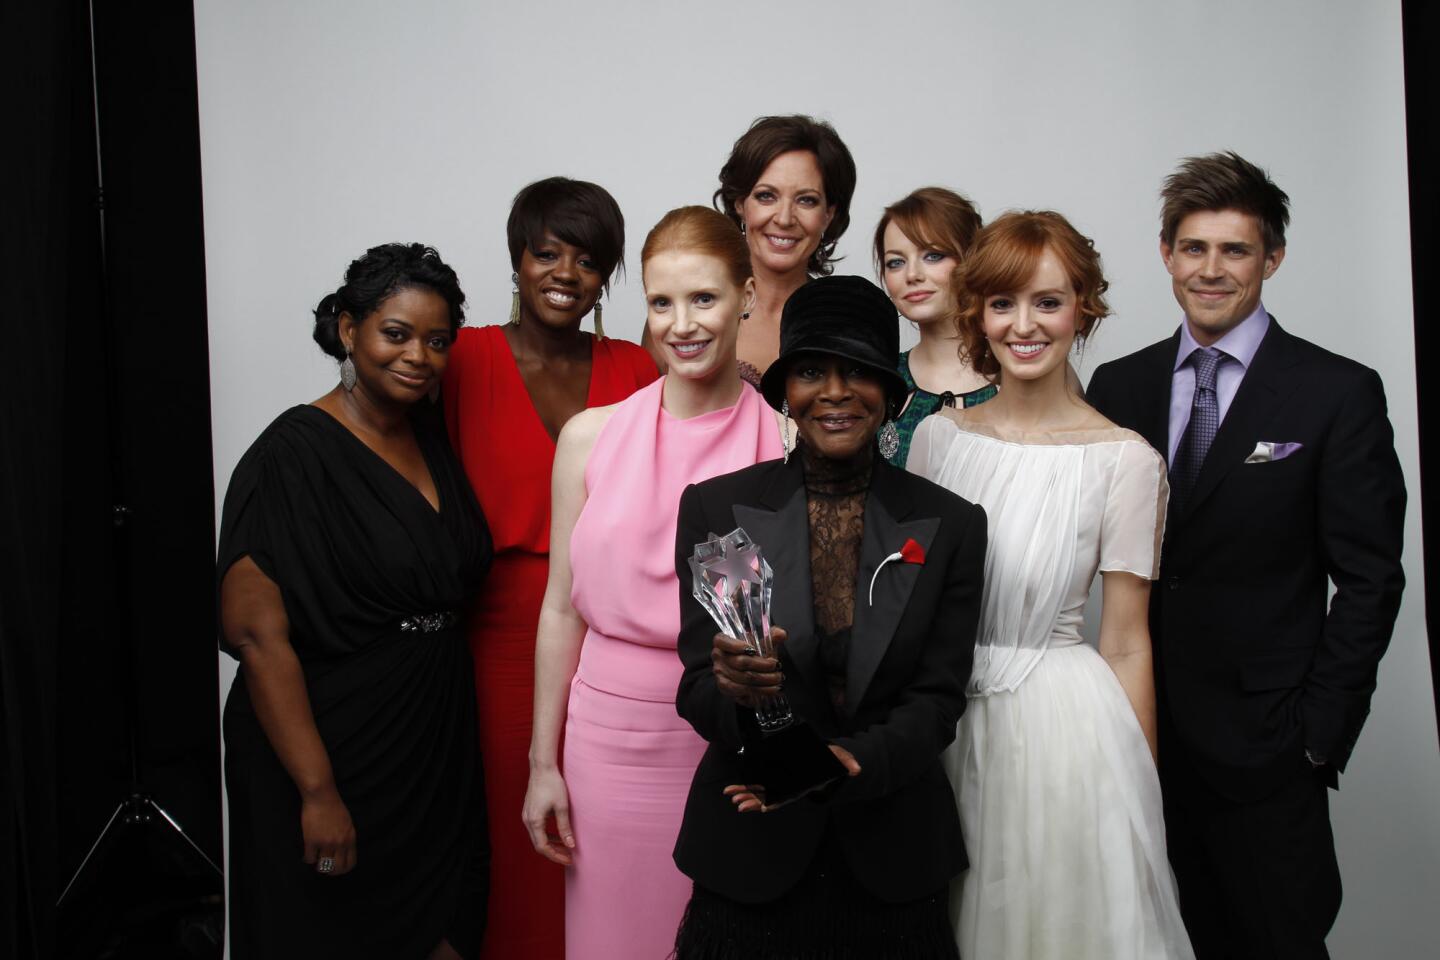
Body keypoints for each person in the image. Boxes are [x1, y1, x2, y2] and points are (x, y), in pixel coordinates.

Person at [1086, 152, 1406, 959]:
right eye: (1193, 248)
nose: (1211, 269)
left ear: (1273, 259)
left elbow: (1370, 579)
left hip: (1270, 748)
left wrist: (1316, 734)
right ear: (1165, 254)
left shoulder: (1335, 391)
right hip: (1143, 735)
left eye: (1235, 250)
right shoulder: (1119, 388)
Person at [670, 275, 987, 959]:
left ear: (890, 390)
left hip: (893, 853)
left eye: (860, 372)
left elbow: (937, 699)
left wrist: (849, 763)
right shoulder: (717, 511)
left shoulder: (951, 525)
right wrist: (736, 692)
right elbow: (696, 690)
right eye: (812, 370)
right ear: (786, 390)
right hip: (752, 854)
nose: (836, 393)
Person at [907, 211, 1194, 958]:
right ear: (977, 314)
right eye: (1003, 303)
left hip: (1063, 733)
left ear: (1082, 309)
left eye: (1048, 301)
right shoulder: (938, 440)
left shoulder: (1126, 461)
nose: (1024, 325)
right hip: (944, 720)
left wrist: (1139, 784)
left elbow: (1128, 642)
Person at [522, 206, 784, 958]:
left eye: (702, 298)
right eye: (661, 302)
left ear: (745, 297)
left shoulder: (784, 439)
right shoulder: (589, 437)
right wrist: (544, 763)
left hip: (724, 741)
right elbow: (559, 612)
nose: (681, 324)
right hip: (605, 742)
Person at [217, 243, 492, 959]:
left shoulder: (430, 437)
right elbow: (257, 639)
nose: (418, 357)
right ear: (347, 329)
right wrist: (316, 791)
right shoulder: (290, 454)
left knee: (444, 930)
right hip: (330, 745)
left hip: (429, 742)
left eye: (437, 341)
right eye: (395, 334)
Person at [442, 178, 658, 958]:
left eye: (589, 259)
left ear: (607, 278)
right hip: (497, 643)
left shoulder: (638, 369)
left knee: (610, 838)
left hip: (613, 642)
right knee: (518, 834)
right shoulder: (461, 358)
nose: (566, 272)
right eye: (547, 253)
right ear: (517, 259)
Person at [643, 115, 857, 387]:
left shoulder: (844, 323)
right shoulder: (681, 311)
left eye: (806, 200)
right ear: (739, 203)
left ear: (828, 214)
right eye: (766, 196)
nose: (784, 218)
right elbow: (648, 417)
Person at [874, 187, 996, 466]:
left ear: (971, 258)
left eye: (933, 255)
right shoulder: (879, 380)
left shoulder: (1016, 376)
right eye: (895, 262)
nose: (912, 275)